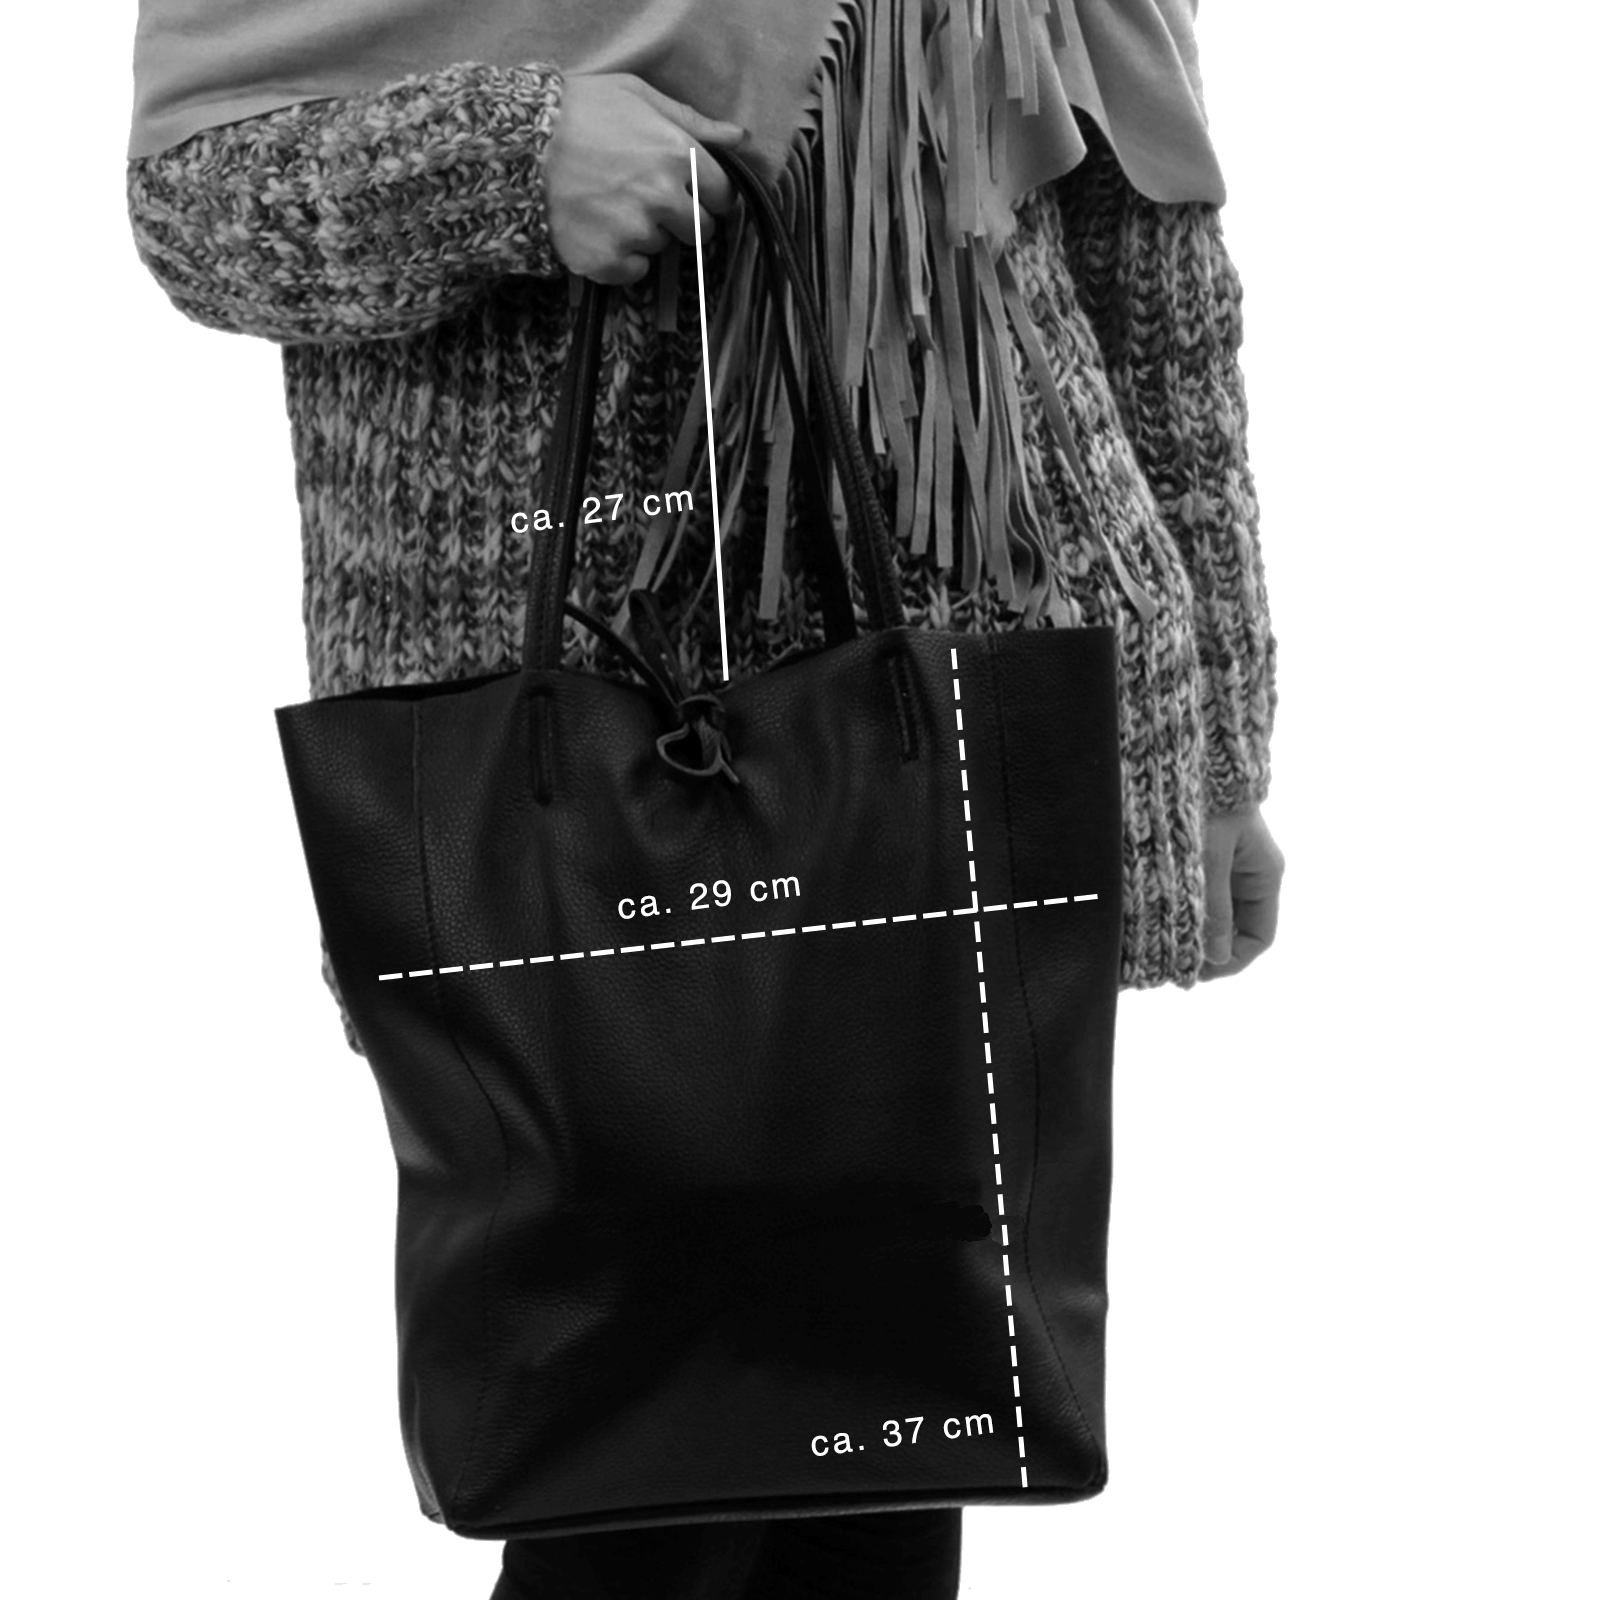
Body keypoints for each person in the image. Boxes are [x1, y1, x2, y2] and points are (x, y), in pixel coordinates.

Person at [126, 2, 1284, 1594]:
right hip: (584, 739)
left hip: (954, 693)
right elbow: (194, 203)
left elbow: (1150, 244)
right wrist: (517, 160)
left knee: (898, 1438)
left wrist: (1221, 741)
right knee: (634, 1486)